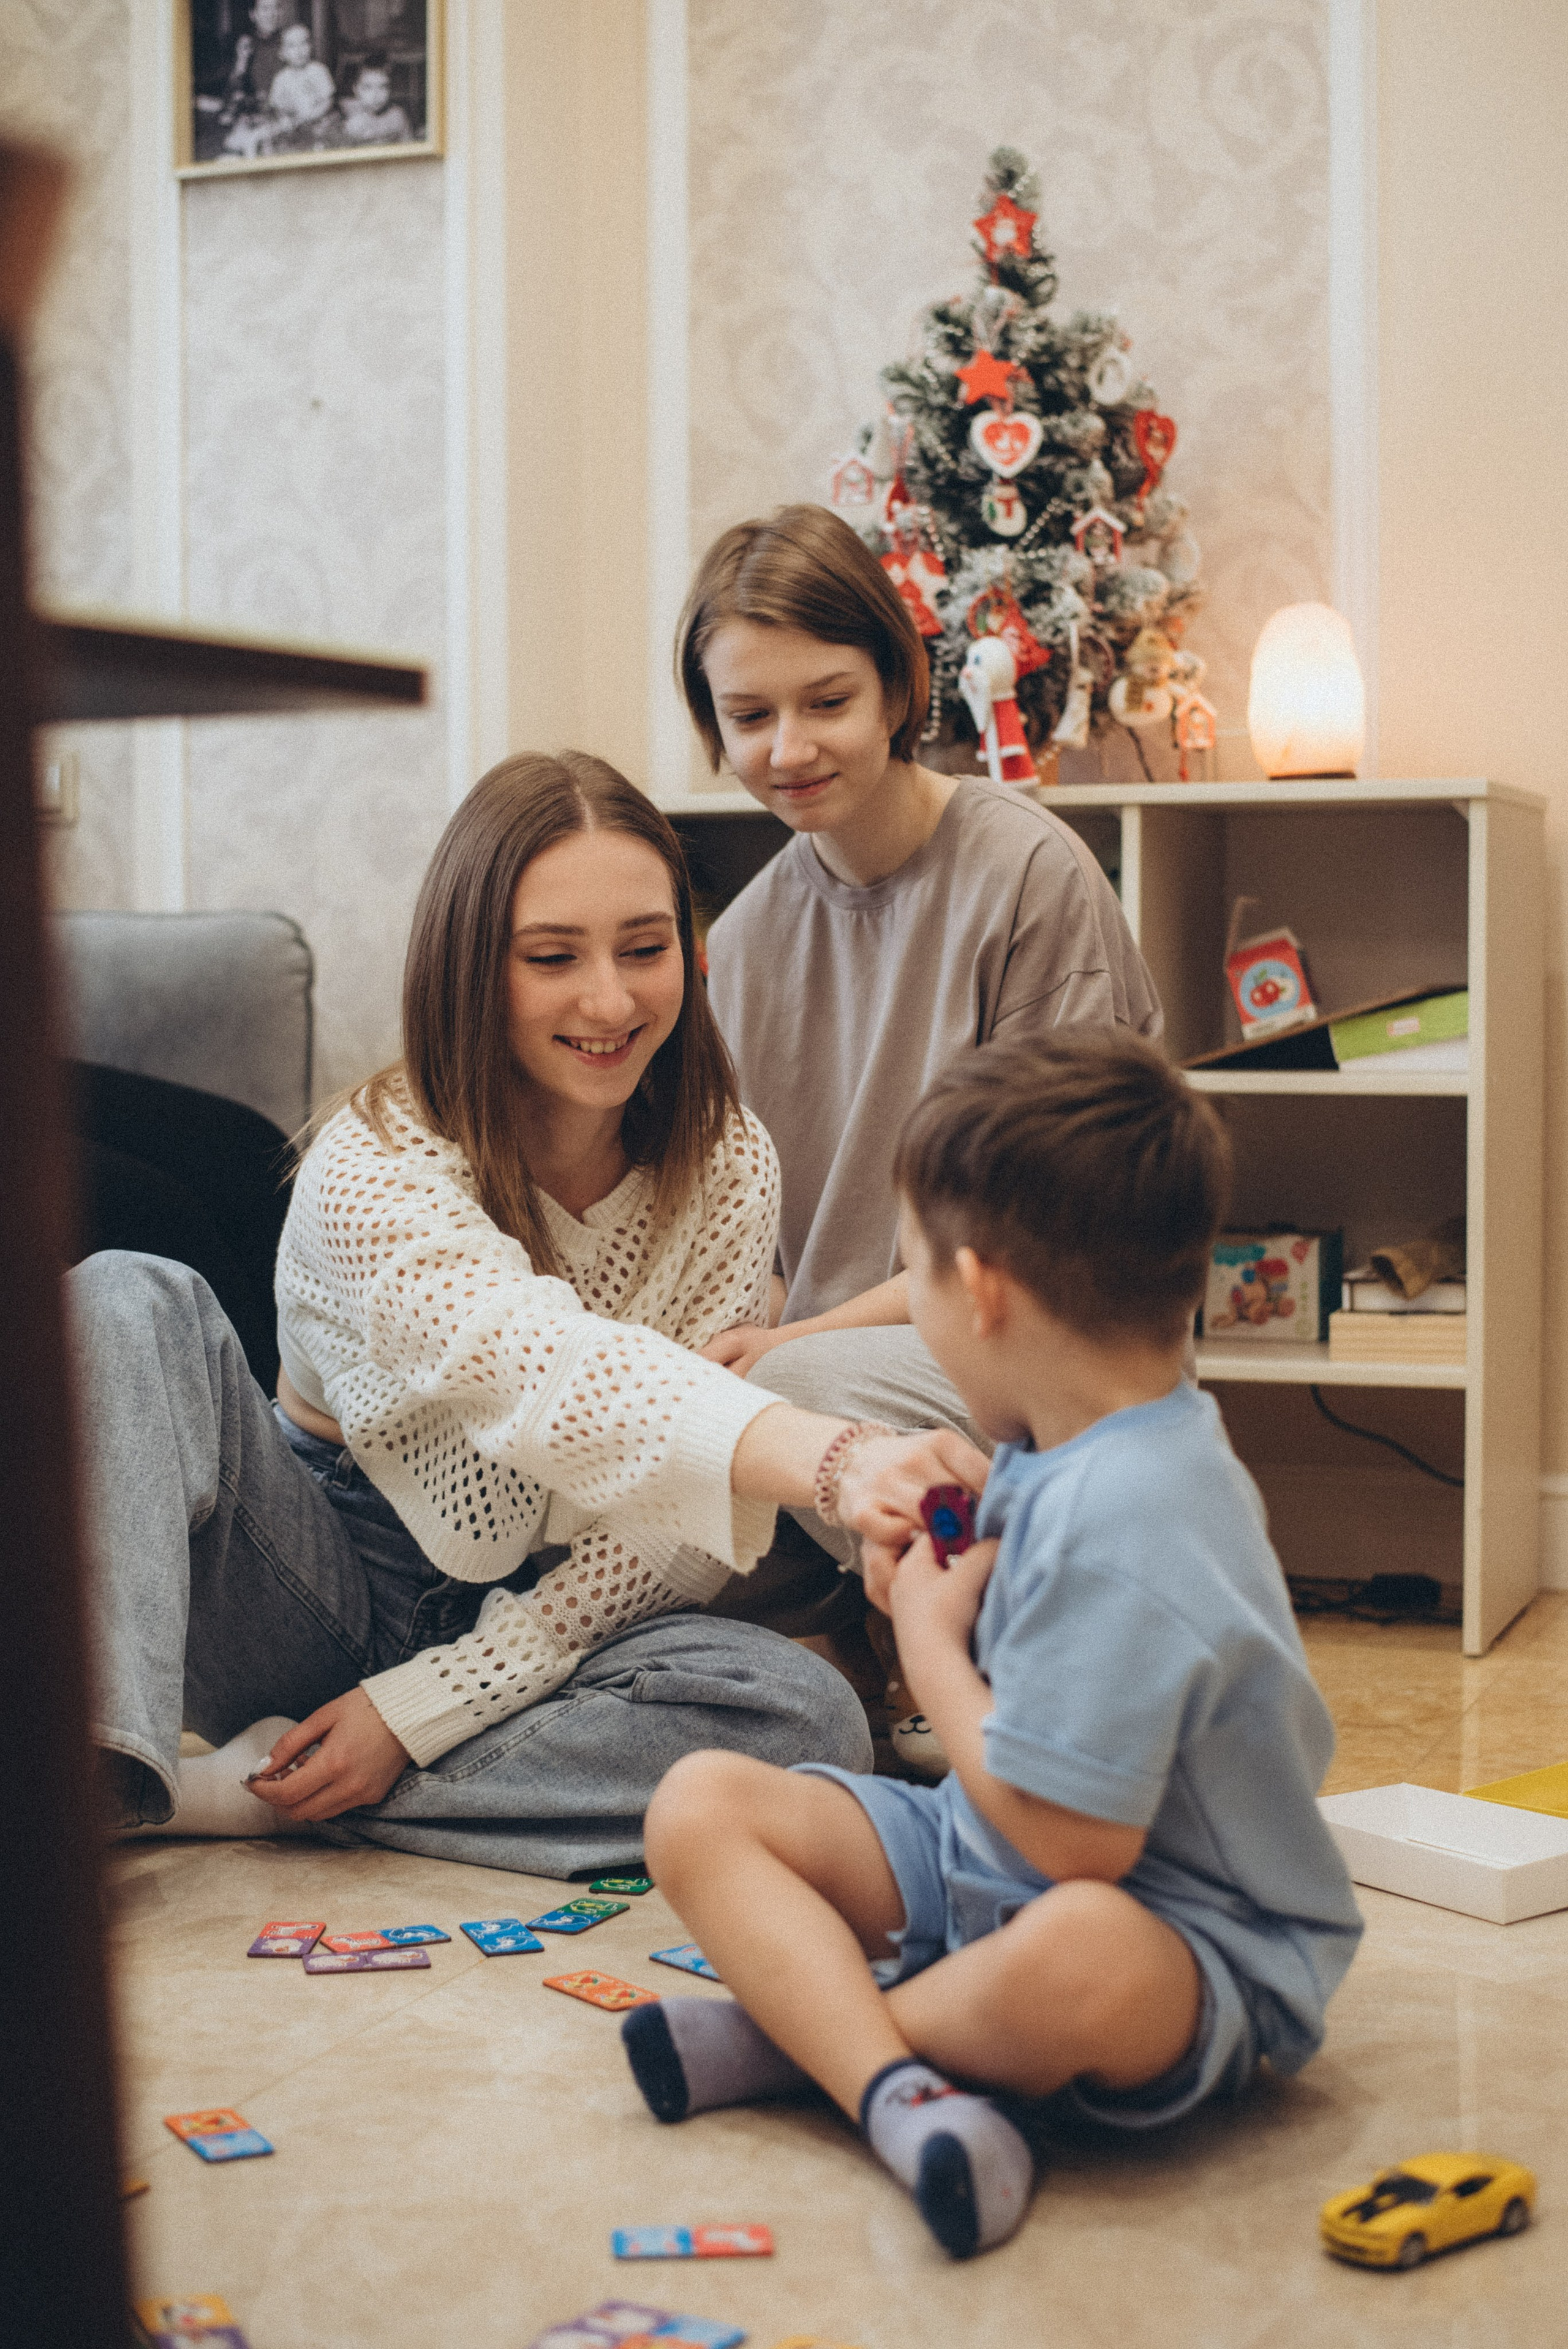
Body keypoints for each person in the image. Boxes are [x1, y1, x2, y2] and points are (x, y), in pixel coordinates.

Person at [79, 752, 984, 1879]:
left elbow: (665, 1525)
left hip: (546, 1615)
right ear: (473, 969)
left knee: (806, 1721)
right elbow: (546, 1366)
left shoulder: (731, 1164)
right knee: (121, 1294)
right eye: (552, 958)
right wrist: (840, 1457)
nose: (610, 1001)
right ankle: (93, 1778)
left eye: (645, 950)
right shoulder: (377, 1162)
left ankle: (263, 1797)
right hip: (312, 1572)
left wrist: (430, 1704)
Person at [620, 1036, 1363, 2259]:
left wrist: (926, 1638)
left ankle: (836, 2056)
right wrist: (918, 1557)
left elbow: (1075, 1845)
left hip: (1179, 1932)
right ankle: (893, 2058)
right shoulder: (1062, 1433)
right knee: (699, 1804)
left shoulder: (1135, 1515)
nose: (909, 1303)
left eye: (909, 1274)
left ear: (982, 1293)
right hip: (981, 1854)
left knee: (1081, 1953)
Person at [681, 502, 1161, 1729]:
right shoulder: (735, 947)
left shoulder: (1028, 876)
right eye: (748, 716)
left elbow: (1055, 1235)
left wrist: (786, 1350)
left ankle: (978, 1661)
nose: (787, 746)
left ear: (899, 689)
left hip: (1024, 1336)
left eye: (824, 700)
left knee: (808, 1398)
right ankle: (851, 1633)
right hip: (822, 1382)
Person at [267, 21, 337, 137]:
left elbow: (328, 101)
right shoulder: (281, 78)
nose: (299, 51)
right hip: (294, 124)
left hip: (319, 122)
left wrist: (312, 116)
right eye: (292, 46)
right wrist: (286, 116)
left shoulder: (319, 71)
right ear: (282, 53)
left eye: (304, 43)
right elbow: (277, 106)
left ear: (311, 46)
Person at [339, 51, 413, 145]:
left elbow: (409, 146)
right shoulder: (349, 116)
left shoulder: (397, 115)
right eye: (368, 87)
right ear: (356, 89)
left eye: (383, 87)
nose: (376, 95)